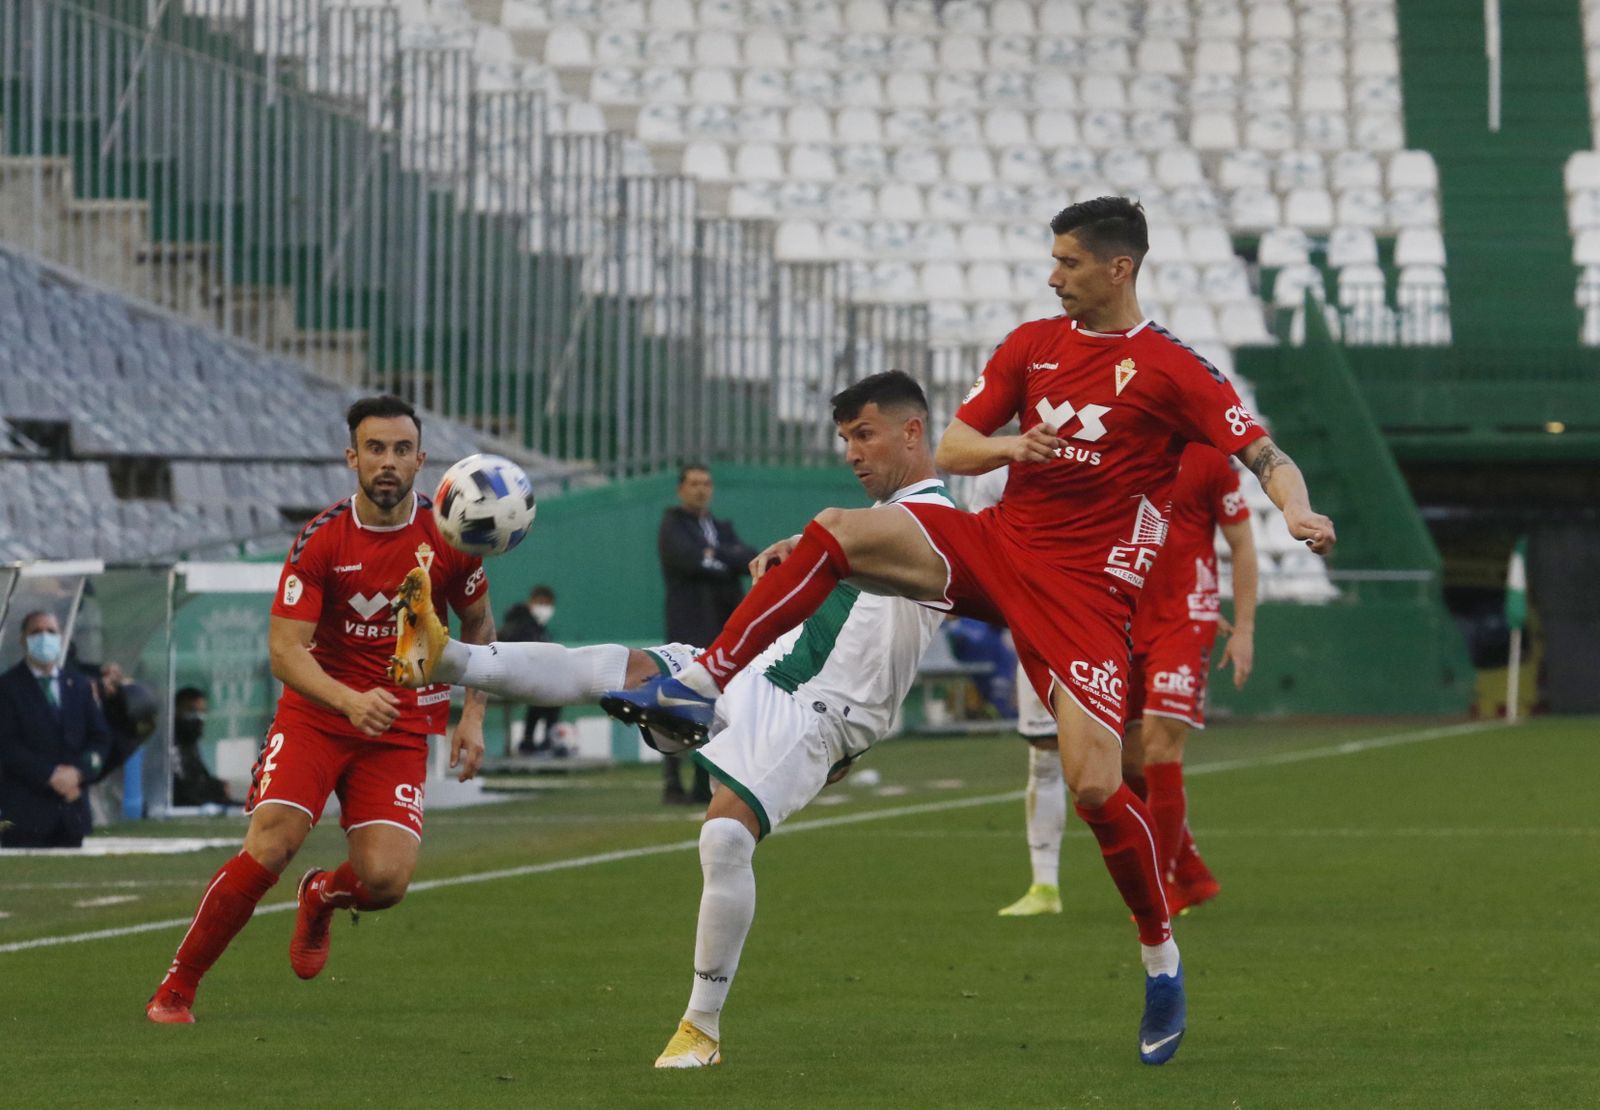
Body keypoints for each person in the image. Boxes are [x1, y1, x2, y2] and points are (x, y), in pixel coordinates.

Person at [604, 196, 1337, 1066]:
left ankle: (1161, 958)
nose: (1053, 275)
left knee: (1096, 787)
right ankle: (702, 683)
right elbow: (953, 447)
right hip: (999, 549)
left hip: (1086, 601)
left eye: (1068, 261)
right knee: (835, 530)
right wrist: (1010, 450)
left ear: (1119, 269)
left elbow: (1265, 456)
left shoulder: (1174, 370)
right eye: (1053, 259)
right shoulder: (1032, 345)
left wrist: (1297, 510)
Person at [390, 371, 954, 1069]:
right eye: (845, 439)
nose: (852, 453)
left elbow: (886, 548)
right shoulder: (885, 518)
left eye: (864, 435)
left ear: (912, 431)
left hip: (819, 709)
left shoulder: (936, 522)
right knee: (618, 667)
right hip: (762, 669)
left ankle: (701, 1027)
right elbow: (852, 548)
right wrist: (800, 547)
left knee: (724, 836)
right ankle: (447, 658)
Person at [145, 394, 495, 1024]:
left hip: (399, 725)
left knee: (385, 882)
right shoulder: (322, 539)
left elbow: (479, 626)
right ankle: (177, 988)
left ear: (421, 461)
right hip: (319, 714)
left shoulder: (450, 537)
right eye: (375, 448)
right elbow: (285, 651)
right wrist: (348, 700)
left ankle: (322, 896)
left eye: (402, 450)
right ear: (351, 457)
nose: (388, 462)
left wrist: (472, 716)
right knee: (272, 842)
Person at [993, 444, 1259, 916]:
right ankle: (1191, 873)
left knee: (1160, 746)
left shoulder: (1208, 460)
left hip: (1185, 615)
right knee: (1129, 762)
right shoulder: (1119, 449)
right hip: (1124, 615)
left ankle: (1159, 889)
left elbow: (1241, 542)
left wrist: (1245, 628)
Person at [657, 464, 756, 805]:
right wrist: (724, 561)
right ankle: (673, 782)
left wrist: (716, 556)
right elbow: (687, 560)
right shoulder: (673, 525)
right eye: (694, 483)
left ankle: (704, 782)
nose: (701, 489)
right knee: (679, 706)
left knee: (716, 706)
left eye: (706, 483)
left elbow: (748, 558)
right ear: (680, 489)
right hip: (687, 628)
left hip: (722, 629)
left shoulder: (720, 527)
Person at [0, 610, 112, 848]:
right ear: (23, 639)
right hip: (25, 813)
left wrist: (78, 773)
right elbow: (7, 745)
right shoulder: (7, 687)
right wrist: (50, 775)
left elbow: (100, 738)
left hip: (72, 810)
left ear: (61, 638)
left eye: (51, 631)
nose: (44, 638)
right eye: (36, 632)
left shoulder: (78, 685)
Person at [500, 585, 566, 755]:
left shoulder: (537, 628)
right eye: (541, 603)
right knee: (547, 687)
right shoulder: (519, 625)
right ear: (531, 602)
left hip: (525, 678)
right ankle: (539, 739)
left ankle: (534, 740)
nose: (544, 608)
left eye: (548, 604)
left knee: (549, 686)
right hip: (506, 677)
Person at [170, 686, 233, 807]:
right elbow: (182, 787)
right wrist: (214, 789)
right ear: (177, 711)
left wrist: (219, 786)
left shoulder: (190, 744)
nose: (198, 717)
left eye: (202, 712)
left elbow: (199, 776)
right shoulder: (171, 743)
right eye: (192, 711)